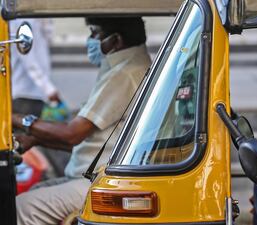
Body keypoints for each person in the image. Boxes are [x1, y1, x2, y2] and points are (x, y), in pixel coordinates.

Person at [12, 17, 152, 225]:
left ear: (116, 40)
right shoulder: (129, 67)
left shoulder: (125, 74)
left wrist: (16, 119)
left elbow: (72, 135)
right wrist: (35, 140)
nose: (91, 40)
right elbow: (91, 139)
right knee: (36, 191)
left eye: (95, 33)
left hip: (100, 181)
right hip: (93, 174)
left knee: (22, 208)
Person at [10, 19, 60, 117]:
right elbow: (29, 60)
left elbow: (49, 38)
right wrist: (48, 88)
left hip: (36, 93)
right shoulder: (24, 22)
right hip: (25, 93)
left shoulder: (38, 20)